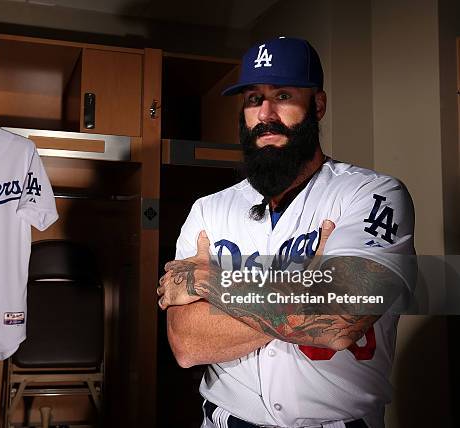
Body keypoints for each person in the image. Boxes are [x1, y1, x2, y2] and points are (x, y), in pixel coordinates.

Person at [157, 37, 415, 428]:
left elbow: (340, 316)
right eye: (253, 98)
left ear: (318, 105)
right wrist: (305, 285)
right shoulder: (208, 210)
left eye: (282, 95)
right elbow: (186, 343)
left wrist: (210, 279)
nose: (265, 113)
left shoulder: (370, 194)